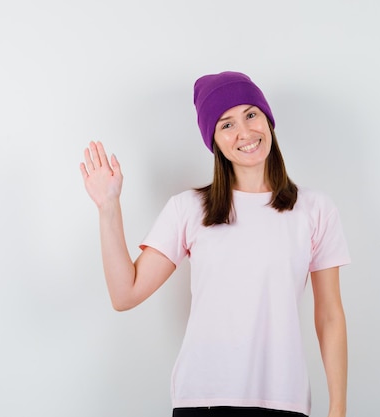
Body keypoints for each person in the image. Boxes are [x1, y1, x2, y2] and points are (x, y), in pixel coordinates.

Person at [80, 71, 351, 417]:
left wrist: (338, 408)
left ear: (267, 119)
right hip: (203, 401)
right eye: (226, 124)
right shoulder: (189, 209)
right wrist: (108, 208)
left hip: (284, 401)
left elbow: (329, 316)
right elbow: (125, 294)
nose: (245, 132)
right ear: (214, 140)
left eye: (251, 114)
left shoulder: (314, 209)